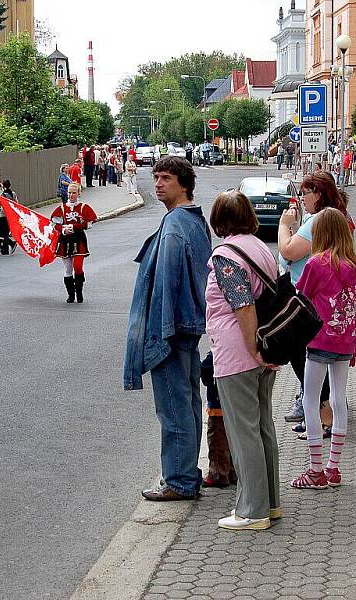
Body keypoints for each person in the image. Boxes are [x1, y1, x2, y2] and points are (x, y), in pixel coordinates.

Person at [124, 156, 211, 501]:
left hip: (171, 330)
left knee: (174, 407)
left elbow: (165, 285)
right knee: (188, 403)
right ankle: (187, 471)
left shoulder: (176, 223)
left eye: (165, 178)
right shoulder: (193, 219)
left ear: (183, 184)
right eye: (155, 177)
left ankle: (178, 480)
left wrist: (160, 335)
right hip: (186, 328)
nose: (158, 183)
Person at [204, 190, 281, 530]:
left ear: (219, 220)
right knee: (263, 426)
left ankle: (252, 511)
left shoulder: (226, 254)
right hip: (263, 347)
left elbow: (242, 305)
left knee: (243, 432)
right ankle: (271, 503)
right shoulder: (259, 246)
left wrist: (253, 348)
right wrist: (264, 349)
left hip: (240, 352)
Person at [290, 208, 356, 489]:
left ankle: (315, 469)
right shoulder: (355, 265)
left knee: (310, 400)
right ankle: (334, 467)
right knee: (338, 398)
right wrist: (354, 344)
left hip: (319, 339)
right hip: (345, 340)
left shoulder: (316, 263)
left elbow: (301, 297)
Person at [277, 172, 351, 426]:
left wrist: (284, 225)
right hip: (328, 304)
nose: (301, 198)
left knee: (305, 359)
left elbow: (288, 251)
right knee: (325, 372)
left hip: (312, 301)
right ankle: (324, 418)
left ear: (317, 193)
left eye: (304, 193)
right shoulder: (328, 218)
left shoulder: (319, 221)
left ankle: (320, 420)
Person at [51, 183, 97, 303]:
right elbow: (55, 224)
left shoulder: (83, 207)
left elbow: (89, 223)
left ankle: (79, 292)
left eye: (74, 193)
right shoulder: (61, 208)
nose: (71, 195)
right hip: (65, 240)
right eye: (69, 192)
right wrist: (63, 229)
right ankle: (71, 295)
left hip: (79, 239)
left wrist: (74, 226)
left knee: (78, 267)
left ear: (78, 194)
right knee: (68, 269)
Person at [200, 351, 236, 488]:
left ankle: (218, 473)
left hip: (218, 405)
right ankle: (232, 472)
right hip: (233, 404)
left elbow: (207, 370)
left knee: (217, 440)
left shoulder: (216, 352)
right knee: (232, 440)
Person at [0, 180, 18, 255]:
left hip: (3, 215)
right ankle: (8, 246)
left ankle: (8, 247)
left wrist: (0, 209)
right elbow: (16, 204)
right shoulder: (13, 194)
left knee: (2, 233)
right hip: (11, 215)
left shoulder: (2, 195)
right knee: (6, 231)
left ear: (3, 185)